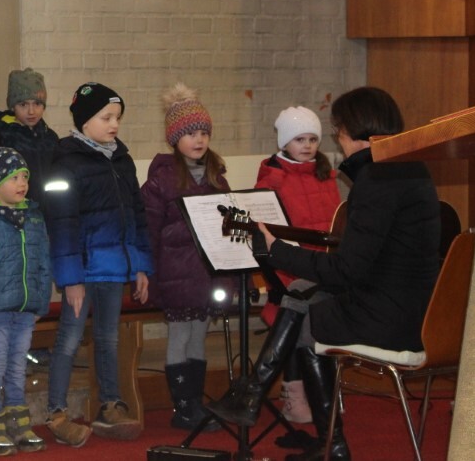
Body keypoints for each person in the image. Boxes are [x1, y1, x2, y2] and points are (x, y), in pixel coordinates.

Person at [207, 87, 441, 461]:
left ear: (352, 129)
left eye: (337, 131)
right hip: (419, 310)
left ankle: (272, 405)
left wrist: (276, 249)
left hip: (391, 319)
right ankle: (281, 412)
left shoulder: (377, 179)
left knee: (305, 314)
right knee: (302, 292)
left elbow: (345, 271)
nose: (338, 139)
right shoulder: (412, 169)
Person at [43, 82, 152, 446]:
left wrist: (139, 265)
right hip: (83, 270)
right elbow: (61, 224)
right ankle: (56, 411)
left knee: (108, 337)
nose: (114, 124)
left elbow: (136, 216)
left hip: (114, 267)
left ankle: (110, 404)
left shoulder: (122, 160)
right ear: (85, 121)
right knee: (69, 338)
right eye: (106, 117)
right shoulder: (65, 163)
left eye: (117, 117)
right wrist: (71, 279)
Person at [141, 83, 233, 431]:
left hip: (206, 276)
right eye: (191, 133)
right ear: (174, 138)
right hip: (175, 276)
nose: (199, 139)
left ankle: (195, 402)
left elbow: (228, 232)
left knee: (198, 337)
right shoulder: (161, 181)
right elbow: (149, 233)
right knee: (179, 337)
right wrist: (148, 275)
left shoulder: (217, 179)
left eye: (204, 133)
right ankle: (182, 408)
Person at [254, 106, 341, 425]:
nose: (307, 145)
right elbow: (267, 225)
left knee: (323, 323)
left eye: (313, 139)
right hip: (288, 264)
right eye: (299, 139)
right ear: (284, 142)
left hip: (323, 264)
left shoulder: (325, 174)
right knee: (292, 321)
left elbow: (335, 219)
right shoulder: (272, 178)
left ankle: (325, 392)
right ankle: (294, 393)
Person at [0, 147, 52, 457]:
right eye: (14, 178)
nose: (22, 184)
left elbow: (43, 262)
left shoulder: (34, 218)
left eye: (24, 177)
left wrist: (41, 302)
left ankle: (18, 422)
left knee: (18, 366)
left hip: (26, 309)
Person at [0, 68, 59, 206]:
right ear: (13, 107)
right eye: (23, 104)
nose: (31, 111)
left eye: (37, 104)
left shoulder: (50, 138)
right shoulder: (1, 135)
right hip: (13, 209)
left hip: (46, 209)